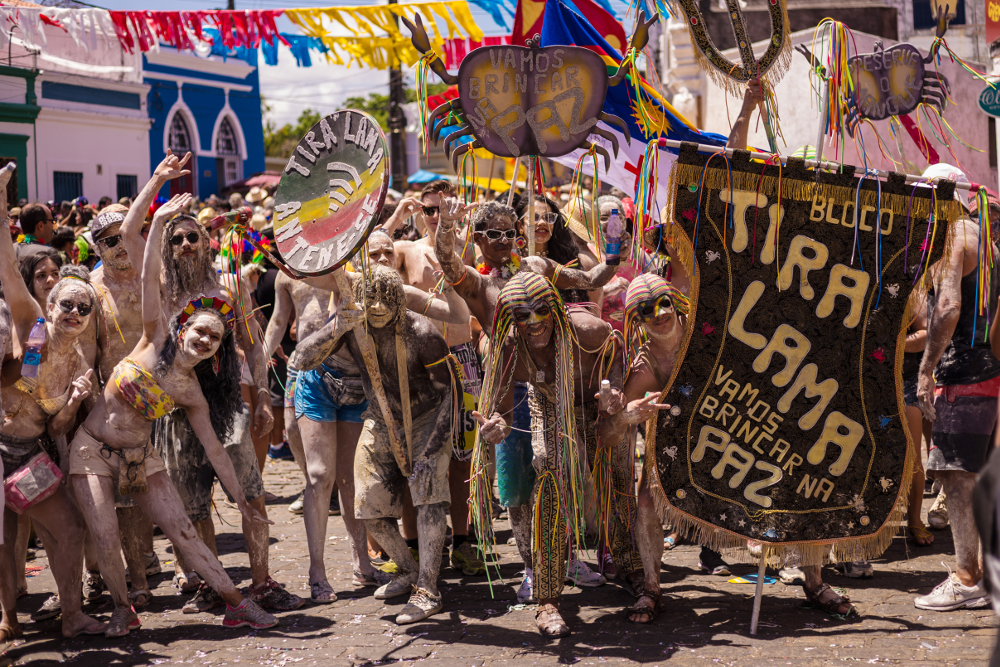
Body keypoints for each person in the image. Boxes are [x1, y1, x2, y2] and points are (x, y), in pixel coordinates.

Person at [68, 192, 278, 636]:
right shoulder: (153, 334)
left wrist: (239, 495)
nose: (203, 341)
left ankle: (238, 601)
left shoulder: (191, 392)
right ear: (182, 326)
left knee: (182, 528)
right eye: (198, 331)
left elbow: (215, 449)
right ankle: (122, 607)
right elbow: (131, 240)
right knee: (106, 536)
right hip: (92, 453)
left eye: (213, 340)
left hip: (141, 453)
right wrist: (158, 207)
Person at [271, 230, 470, 601]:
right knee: (365, 502)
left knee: (427, 490)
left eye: (386, 300)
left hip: (425, 415)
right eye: (371, 300)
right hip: (376, 411)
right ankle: (409, 571)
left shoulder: (420, 329)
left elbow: (450, 393)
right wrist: (339, 325)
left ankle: (428, 586)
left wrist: (431, 450)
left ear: (399, 297)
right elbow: (302, 358)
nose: (377, 307)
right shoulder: (352, 305)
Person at [473, 271, 639, 637]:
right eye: (522, 316)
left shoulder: (588, 331)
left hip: (599, 410)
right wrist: (496, 427)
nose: (534, 323)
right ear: (510, 321)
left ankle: (636, 574)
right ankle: (547, 600)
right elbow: (501, 410)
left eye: (541, 311)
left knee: (619, 479)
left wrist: (615, 396)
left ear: (556, 310)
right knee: (550, 479)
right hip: (549, 407)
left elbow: (616, 353)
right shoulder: (509, 349)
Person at [153, 204, 300, 614]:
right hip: (177, 410)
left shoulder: (231, 288)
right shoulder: (161, 290)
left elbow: (254, 345)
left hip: (228, 404)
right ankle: (211, 582)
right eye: (176, 239)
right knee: (193, 503)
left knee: (250, 495)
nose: (184, 244)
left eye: (192, 237)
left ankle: (262, 581)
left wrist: (265, 399)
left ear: (206, 243)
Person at [0, 167, 106, 640]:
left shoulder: (77, 357)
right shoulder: (33, 327)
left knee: (67, 531)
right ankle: (7, 621)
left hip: (30, 455)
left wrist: (75, 401)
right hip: (3, 446)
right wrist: (2, 202)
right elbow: (7, 266)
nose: (74, 313)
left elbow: (59, 424)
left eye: (85, 308)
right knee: (3, 546)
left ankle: (70, 614)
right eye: (67, 302)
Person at [87, 152, 196, 607]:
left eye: (121, 237)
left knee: (180, 487)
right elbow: (86, 354)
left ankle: (187, 570)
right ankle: (135, 579)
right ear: (96, 248)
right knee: (126, 499)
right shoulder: (91, 291)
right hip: (117, 406)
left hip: (165, 397)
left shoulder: (155, 276)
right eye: (107, 240)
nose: (118, 246)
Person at [384, 181, 484, 576]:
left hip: (462, 360)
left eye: (445, 208)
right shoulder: (407, 250)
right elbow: (370, 259)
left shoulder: (471, 250)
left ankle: (463, 540)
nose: (437, 216)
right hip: (418, 364)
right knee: (413, 457)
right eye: (429, 210)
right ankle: (411, 546)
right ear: (420, 212)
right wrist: (396, 216)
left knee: (463, 456)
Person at [917, 165, 1000, 611]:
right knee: (974, 476)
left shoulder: (955, 238)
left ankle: (968, 577)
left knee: (956, 479)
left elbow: (948, 307)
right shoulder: (983, 239)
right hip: (986, 374)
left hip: (963, 378)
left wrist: (927, 368)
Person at [619, 274, 691, 623]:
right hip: (673, 447)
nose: (660, 313)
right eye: (648, 309)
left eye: (665, 303)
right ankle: (651, 588)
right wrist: (627, 413)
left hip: (726, 436)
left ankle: (814, 583)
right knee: (646, 497)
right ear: (638, 319)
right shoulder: (644, 367)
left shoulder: (705, 330)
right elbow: (611, 427)